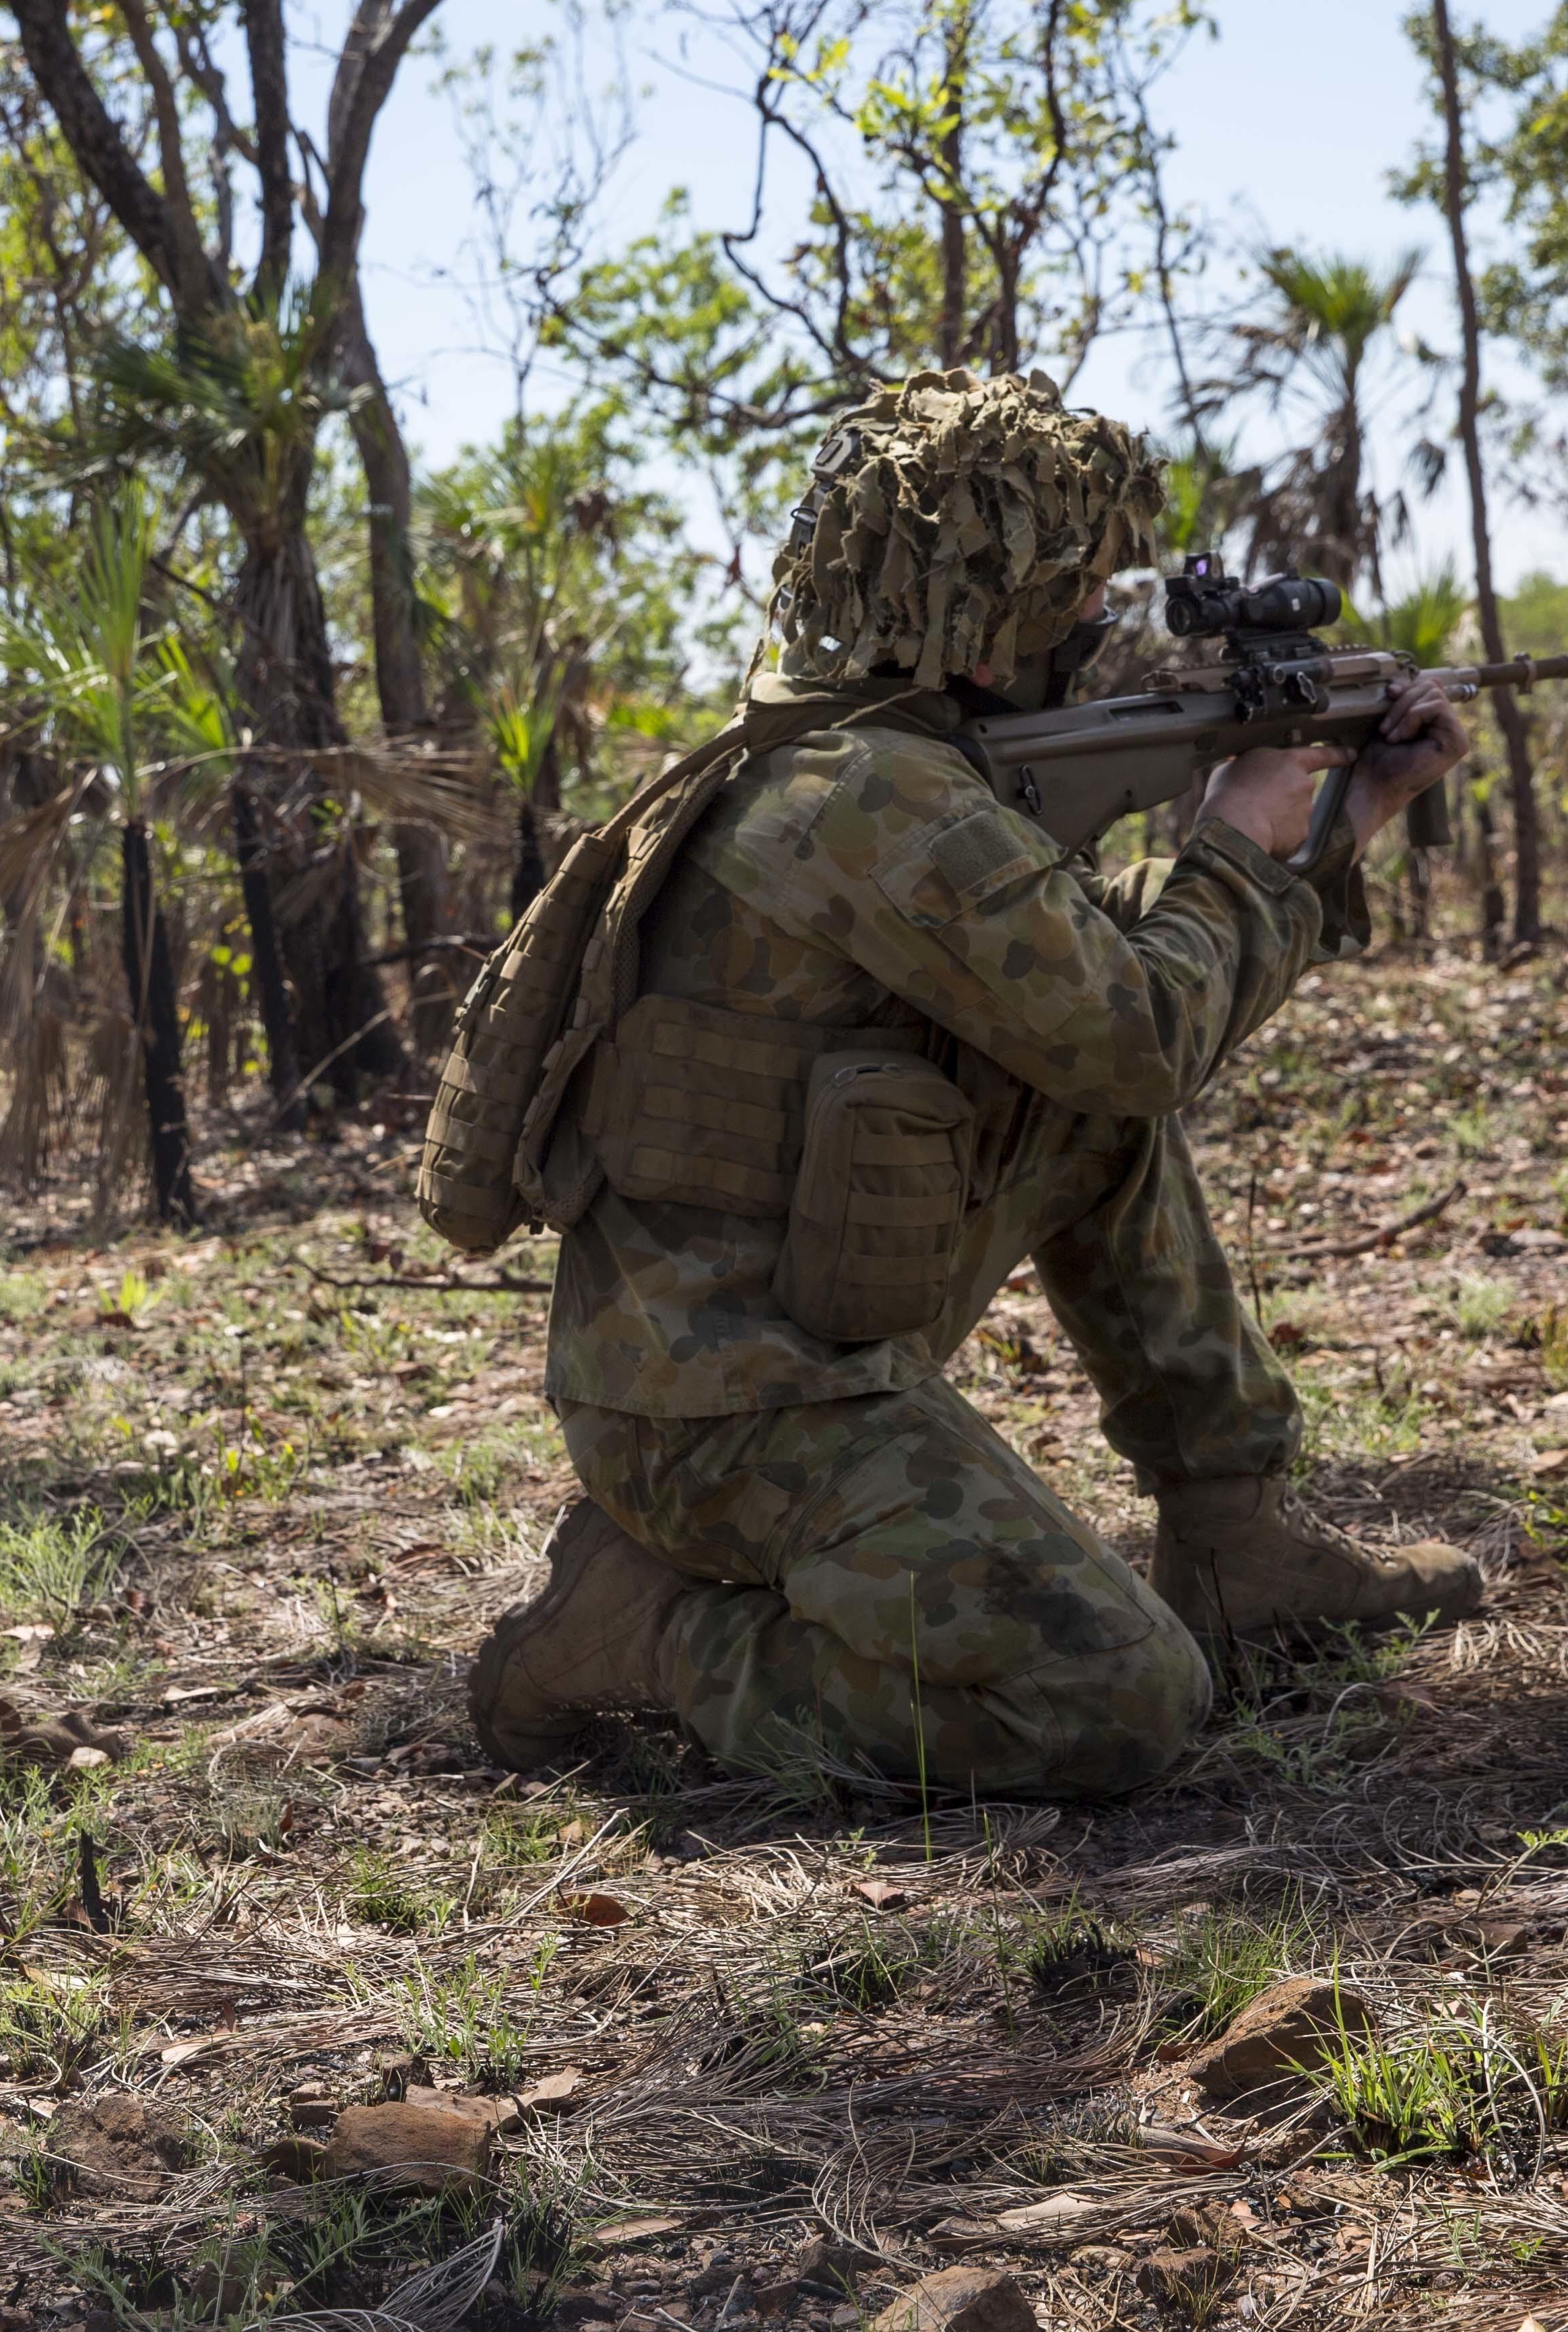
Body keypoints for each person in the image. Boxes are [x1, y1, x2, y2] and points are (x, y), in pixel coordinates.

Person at [467, 372, 1479, 1797]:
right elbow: (1139, 1026)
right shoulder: (875, 796)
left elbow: (1080, 985)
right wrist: (1243, 842)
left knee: (1089, 1111)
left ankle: (1234, 1536)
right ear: (985, 607)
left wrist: (1334, 820)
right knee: (1116, 1698)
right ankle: (644, 1634)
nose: (1097, 625)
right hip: (731, 1412)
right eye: (1076, 594)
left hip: (777, 1355)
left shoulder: (872, 766)